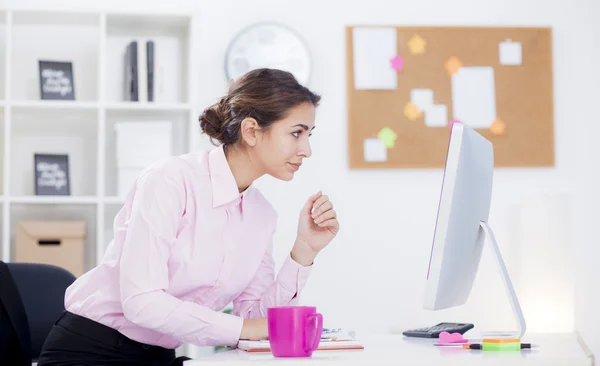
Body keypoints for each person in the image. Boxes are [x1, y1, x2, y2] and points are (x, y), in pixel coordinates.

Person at [37, 68, 339, 366]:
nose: (307, 150)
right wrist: (245, 330)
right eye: (296, 133)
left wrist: (304, 251)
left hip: (157, 356)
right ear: (251, 131)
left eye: (308, 135)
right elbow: (141, 302)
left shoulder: (262, 215)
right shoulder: (170, 181)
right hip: (90, 351)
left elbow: (254, 322)